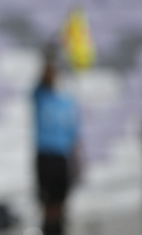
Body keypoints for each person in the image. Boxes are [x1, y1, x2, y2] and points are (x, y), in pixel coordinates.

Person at [33, 59, 81, 235]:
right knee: (48, 204)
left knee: (61, 203)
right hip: (45, 156)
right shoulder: (41, 97)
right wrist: (50, 55)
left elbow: (74, 135)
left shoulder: (67, 102)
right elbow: (40, 80)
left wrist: (77, 162)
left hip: (62, 157)